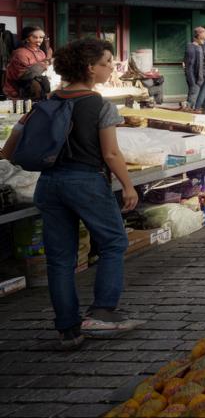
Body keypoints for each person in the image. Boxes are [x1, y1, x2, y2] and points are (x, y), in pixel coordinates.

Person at [0, 38, 143, 348]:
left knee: (60, 259)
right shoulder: (100, 105)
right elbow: (111, 154)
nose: (110, 68)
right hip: (86, 183)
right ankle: (102, 312)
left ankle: (68, 330)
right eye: (106, 63)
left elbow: (9, 149)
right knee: (114, 242)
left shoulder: (45, 103)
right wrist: (128, 185)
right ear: (90, 68)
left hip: (49, 185)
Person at [4, 26, 51, 103]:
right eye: (35, 37)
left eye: (41, 37)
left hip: (39, 88)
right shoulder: (20, 53)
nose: (39, 40)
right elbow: (24, 76)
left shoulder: (41, 52)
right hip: (18, 90)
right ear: (27, 38)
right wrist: (46, 62)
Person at [184, 27, 205, 113]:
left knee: (204, 91)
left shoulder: (203, 44)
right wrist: (192, 82)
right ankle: (191, 109)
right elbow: (189, 67)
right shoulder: (191, 47)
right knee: (193, 96)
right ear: (198, 35)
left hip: (203, 75)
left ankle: (201, 107)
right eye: (203, 32)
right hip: (196, 78)